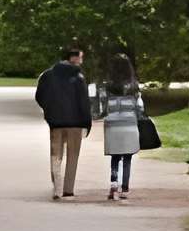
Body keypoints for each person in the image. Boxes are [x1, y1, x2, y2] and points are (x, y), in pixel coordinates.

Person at [34, 42, 91, 200]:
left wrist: (49, 110)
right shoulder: (78, 77)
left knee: (56, 154)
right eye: (80, 57)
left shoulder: (48, 75)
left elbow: (39, 96)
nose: (81, 61)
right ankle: (68, 189)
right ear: (72, 58)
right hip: (76, 123)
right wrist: (87, 122)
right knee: (73, 156)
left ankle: (57, 186)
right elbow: (84, 102)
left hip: (56, 122)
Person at [98, 52, 146, 201]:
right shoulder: (134, 85)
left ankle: (113, 184)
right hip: (129, 123)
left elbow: (101, 107)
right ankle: (124, 188)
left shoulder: (107, 86)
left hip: (112, 124)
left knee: (115, 156)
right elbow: (140, 107)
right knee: (127, 157)